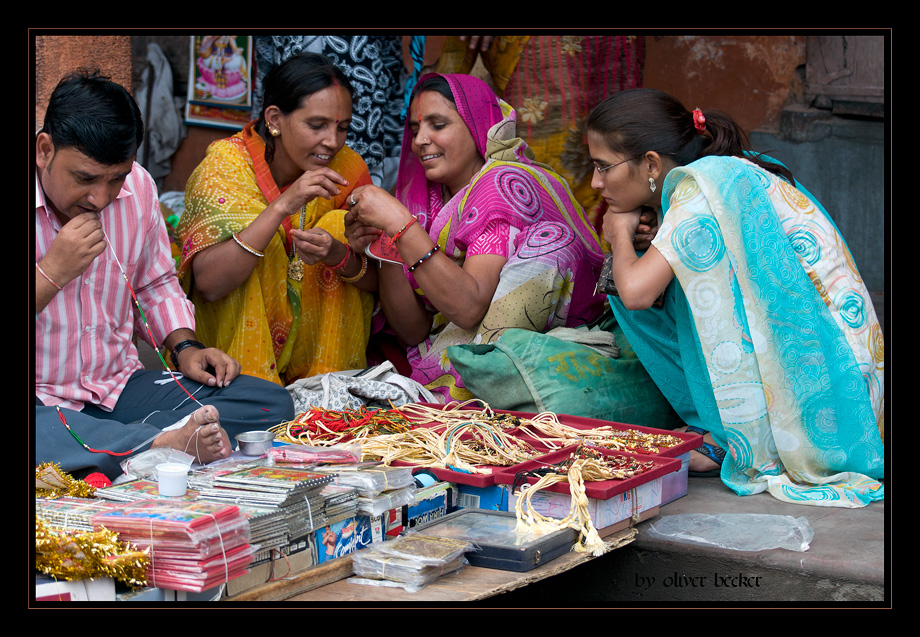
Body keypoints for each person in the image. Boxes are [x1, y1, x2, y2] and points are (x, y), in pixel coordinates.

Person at [586, 88, 884, 507]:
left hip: (835, 398)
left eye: (603, 167)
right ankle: (724, 426)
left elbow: (637, 292)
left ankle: (739, 439)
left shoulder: (702, 188)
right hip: (835, 379)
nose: (596, 183)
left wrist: (617, 231)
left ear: (651, 164)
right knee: (623, 273)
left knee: (629, 277)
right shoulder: (722, 175)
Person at [34, 69, 294, 481]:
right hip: (41, 403)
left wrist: (185, 347)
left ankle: (123, 444)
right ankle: (153, 444)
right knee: (43, 431)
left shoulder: (137, 188)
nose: (99, 199)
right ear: (44, 150)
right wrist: (51, 272)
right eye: (84, 179)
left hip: (115, 390)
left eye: (114, 179)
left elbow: (154, 283)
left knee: (268, 403)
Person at [344, 73, 607, 401]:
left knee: (553, 241)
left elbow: (468, 307)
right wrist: (386, 244)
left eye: (437, 125)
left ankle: (455, 394)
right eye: (414, 129)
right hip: (446, 346)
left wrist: (400, 224)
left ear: (477, 124)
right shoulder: (430, 205)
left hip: (519, 350)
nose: (420, 140)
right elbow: (414, 331)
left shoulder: (501, 186)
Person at [176, 52, 376, 386]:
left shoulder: (348, 170)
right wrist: (282, 206)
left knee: (335, 225)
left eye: (342, 128)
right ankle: (250, 391)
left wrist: (336, 255)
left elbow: (377, 285)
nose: (332, 141)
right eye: (316, 125)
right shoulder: (225, 166)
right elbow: (209, 284)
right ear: (274, 119)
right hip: (236, 356)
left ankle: (327, 394)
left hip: (316, 355)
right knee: (260, 241)